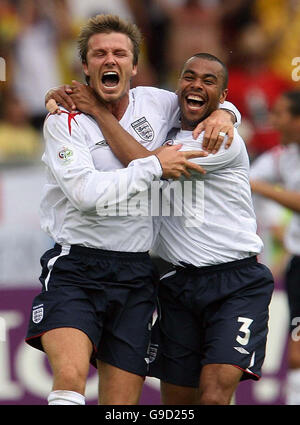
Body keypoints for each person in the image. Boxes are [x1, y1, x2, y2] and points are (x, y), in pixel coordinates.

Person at [27, 14, 239, 406]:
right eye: (100, 53)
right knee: (70, 377)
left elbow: (205, 101)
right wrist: (155, 165)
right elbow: (86, 193)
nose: (110, 59)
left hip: (136, 274)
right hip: (77, 268)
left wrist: (229, 114)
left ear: (134, 66)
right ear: (86, 67)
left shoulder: (158, 103)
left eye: (119, 53)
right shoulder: (64, 120)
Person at [54, 52, 274, 405]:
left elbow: (147, 164)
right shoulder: (167, 128)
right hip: (177, 284)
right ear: (178, 85)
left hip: (235, 282)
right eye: (189, 76)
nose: (196, 85)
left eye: (209, 81)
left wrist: (96, 110)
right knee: (177, 401)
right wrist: (63, 95)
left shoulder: (220, 139)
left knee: (215, 392)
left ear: (223, 94)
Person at [250, 90, 300, 405]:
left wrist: (260, 188)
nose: (273, 119)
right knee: (297, 353)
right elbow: (245, 178)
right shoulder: (286, 155)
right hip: (298, 264)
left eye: (280, 113)